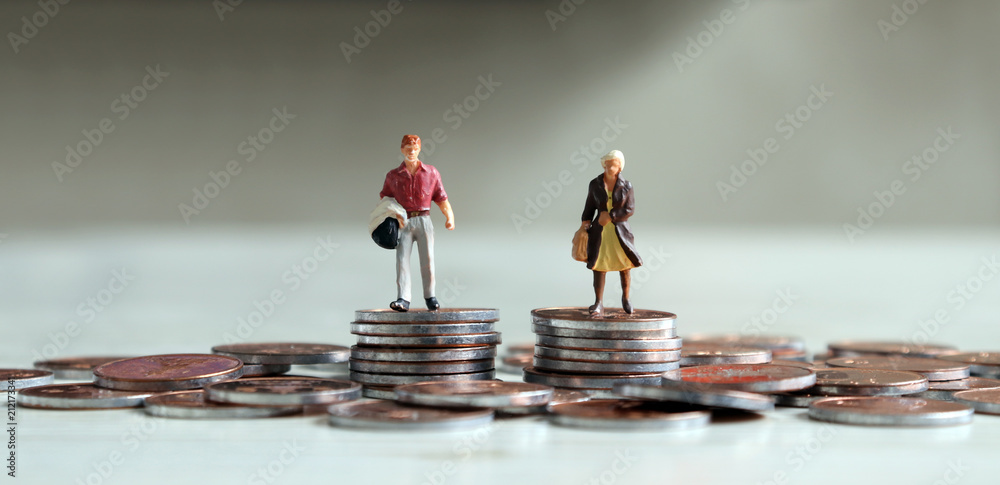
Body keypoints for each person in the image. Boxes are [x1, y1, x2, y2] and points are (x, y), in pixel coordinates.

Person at [378, 134, 455, 312]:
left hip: (424, 220)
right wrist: (390, 216)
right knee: (402, 260)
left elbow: (441, 198)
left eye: (414, 148)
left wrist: (449, 216)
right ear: (402, 150)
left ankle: (430, 296)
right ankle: (403, 298)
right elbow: (385, 199)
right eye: (407, 149)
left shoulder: (431, 173)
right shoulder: (393, 176)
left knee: (427, 259)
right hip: (403, 220)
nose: (411, 152)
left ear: (419, 149)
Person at [580, 150, 642, 316]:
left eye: (613, 165)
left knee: (625, 265)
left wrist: (611, 216)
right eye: (607, 164)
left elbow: (629, 209)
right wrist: (585, 221)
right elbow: (589, 205)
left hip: (619, 232)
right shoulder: (595, 184)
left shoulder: (627, 186)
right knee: (599, 266)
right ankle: (598, 302)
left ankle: (626, 299)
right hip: (600, 232)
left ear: (620, 167)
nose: (609, 168)